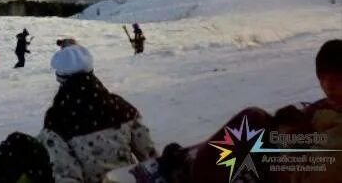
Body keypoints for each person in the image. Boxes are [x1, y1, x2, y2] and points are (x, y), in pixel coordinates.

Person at [137, 39, 342, 183]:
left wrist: (282, 143)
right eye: (323, 78)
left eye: (337, 79)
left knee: (252, 122)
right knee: (256, 122)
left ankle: (191, 171)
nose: (329, 87)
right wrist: (297, 120)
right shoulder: (331, 106)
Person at [0, 44, 157, 183]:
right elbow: (150, 158)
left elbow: (67, 175)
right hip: (123, 179)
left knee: (18, 143)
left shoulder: (59, 119)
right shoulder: (121, 108)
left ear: (61, 78)